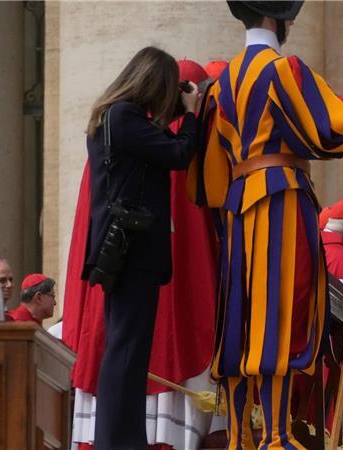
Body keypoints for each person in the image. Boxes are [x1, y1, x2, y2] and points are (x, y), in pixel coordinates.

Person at [186, 2, 343, 448]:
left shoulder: (220, 84)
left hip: (235, 206)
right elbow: (333, 126)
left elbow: (207, 177)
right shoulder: (282, 68)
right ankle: (274, 435)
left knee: (240, 318)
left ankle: (239, 439)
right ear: (277, 20)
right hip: (280, 200)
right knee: (280, 314)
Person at [81, 46, 201, 450]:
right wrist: (194, 112)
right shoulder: (125, 116)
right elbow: (177, 153)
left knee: (128, 348)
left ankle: (124, 438)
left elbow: (157, 145)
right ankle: (118, 442)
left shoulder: (113, 117)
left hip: (124, 249)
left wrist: (179, 116)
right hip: (133, 250)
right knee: (127, 350)